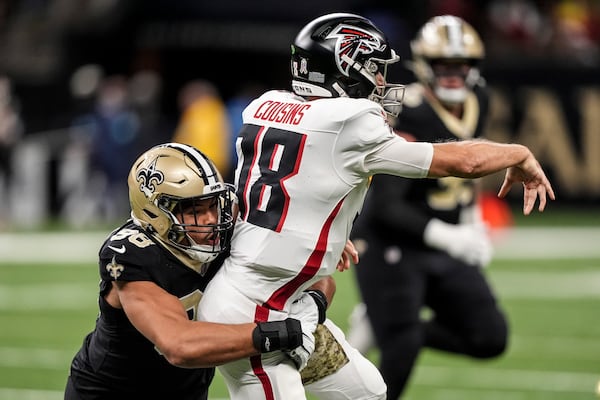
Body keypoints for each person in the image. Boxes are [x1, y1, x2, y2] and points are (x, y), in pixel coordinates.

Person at [196, 12, 554, 400]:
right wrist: (516, 153)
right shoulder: (349, 120)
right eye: (374, 70)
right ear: (345, 67)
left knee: (369, 392)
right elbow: (460, 163)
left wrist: (328, 230)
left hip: (283, 299)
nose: (381, 81)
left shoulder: (264, 106)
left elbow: (281, 188)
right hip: (254, 310)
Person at [64, 142, 329, 400]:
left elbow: (320, 279)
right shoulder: (133, 254)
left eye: (213, 205)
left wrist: (312, 306)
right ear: (156, 212)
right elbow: (179, 345)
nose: (211, 219)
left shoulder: (225, 234)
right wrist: (281, 333)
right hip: (112, 392)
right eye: (195, 211)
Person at [346, 15, 509, 399]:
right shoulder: (409, 110)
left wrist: (470, 224)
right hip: (392, 243)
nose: (453, 76)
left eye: (461, 66)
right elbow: (385, 206)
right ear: (424, 64)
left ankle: (381, 320)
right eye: (442, 66)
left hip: (441, 240)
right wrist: (450, 237)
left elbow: (468, 173)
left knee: (489, 337)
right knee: (399, 350)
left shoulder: (479, 99)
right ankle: (391, 325)